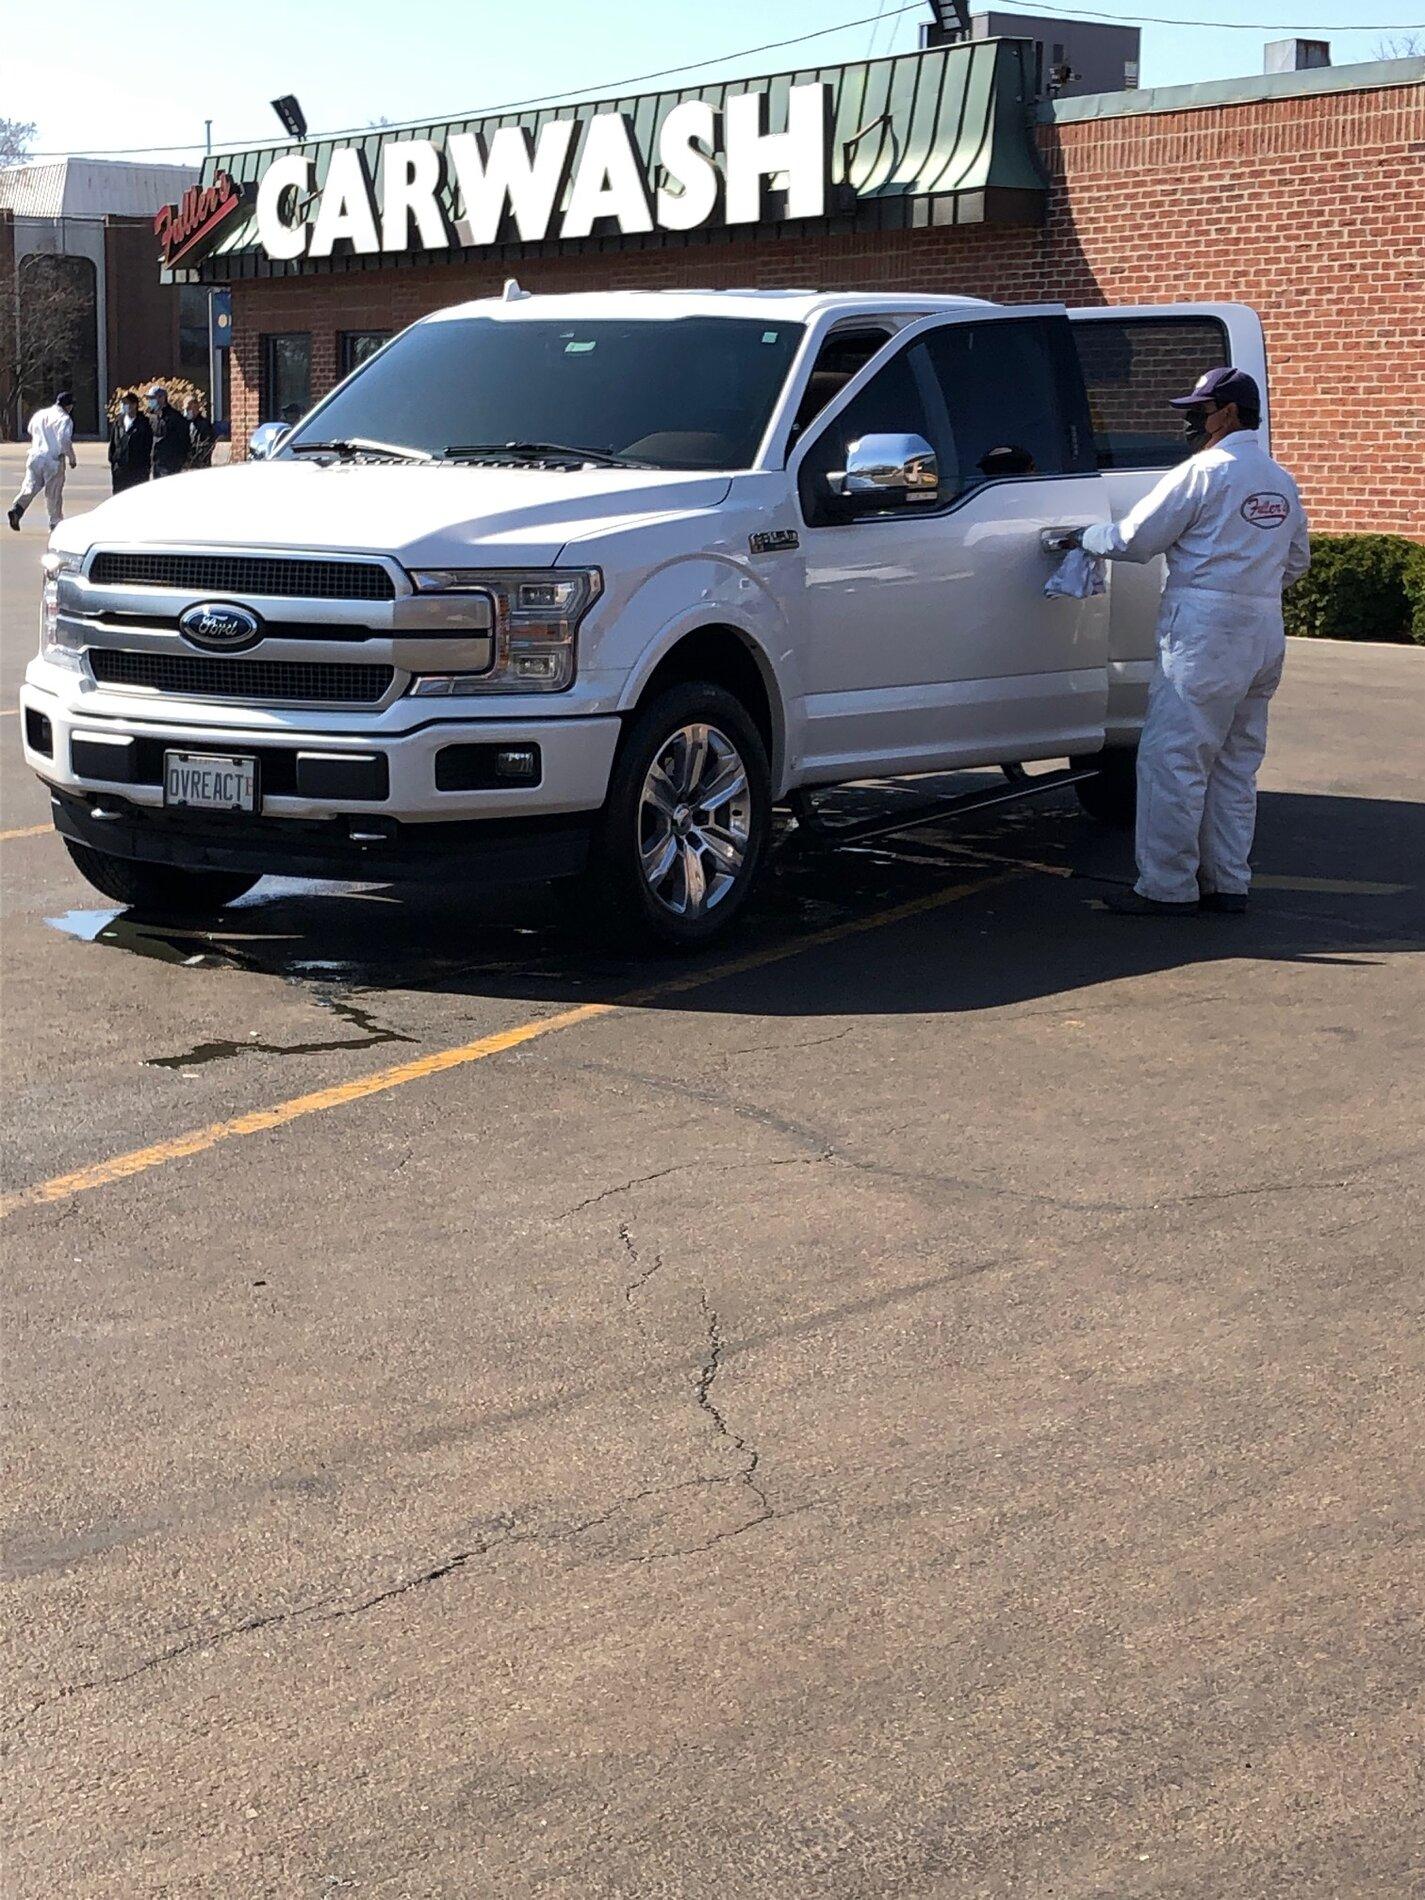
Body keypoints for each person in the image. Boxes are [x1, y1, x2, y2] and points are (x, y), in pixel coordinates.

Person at [1074, 366, 1310, 916]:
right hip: (1263, 629)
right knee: (1235, 761)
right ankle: (1228, 882)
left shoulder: (1202, 472)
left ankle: (1167, 887)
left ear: (1227, 413)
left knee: (1173, 759)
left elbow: (1134, 540)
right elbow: (1296, 562)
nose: (1189, 421)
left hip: (1205, 630)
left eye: (1197, 411)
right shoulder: (1279, 478)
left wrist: (1083, 536)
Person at [7, 390, 77, 532]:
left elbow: (30, 429)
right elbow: (64, 439)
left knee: (30, 487)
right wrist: (72, 458)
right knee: (53, 494)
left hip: (35, 456)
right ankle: (55, 523)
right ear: (68, 406)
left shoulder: (41, 414)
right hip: (53, 459)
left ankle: (17, 509)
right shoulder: (64, 419)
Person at [108, 390, 152, 494]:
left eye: (126, 403)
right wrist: (114, 461)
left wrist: (145, 466)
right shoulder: (118, 422)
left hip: (137, 469)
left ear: (134, 405)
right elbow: (113, 444)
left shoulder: (144, 423)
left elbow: (148, 445)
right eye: (122, 403)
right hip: (120, 469)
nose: (123, 406)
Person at [146, 385, 190, 479]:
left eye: (152, 398)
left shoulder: (175, 417)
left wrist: (180, 461)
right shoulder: (153, 417)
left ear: (162, 398)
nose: (150, 401)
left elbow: (184, 440)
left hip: (170, 465)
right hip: (156, 464)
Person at [184, 395, 216, 470]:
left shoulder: (204, 425)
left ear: (196, 408)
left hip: (200, 465)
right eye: (185, 409)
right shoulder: (186, 424)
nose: (186, 411)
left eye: (188, 408)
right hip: (187, 465)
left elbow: (207, 445)